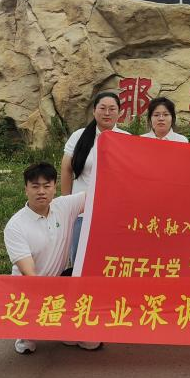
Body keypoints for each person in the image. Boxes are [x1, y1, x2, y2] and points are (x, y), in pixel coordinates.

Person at [4, 162, 98, 353]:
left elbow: (98, 194)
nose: (41, 191)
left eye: (47, 186)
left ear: (55, 187)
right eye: (35, 186)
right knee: (29, 339)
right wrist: (46, 300)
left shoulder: (64, 206)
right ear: (26, 189)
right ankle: (25, 334)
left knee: (81, 279)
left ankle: (72, 330)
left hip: (59, 283)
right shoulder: (15, 226)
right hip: (28, 289)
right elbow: (29, 272)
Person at [61, 91, 130, 266]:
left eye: (112, 109)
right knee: (79, 259)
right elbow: (67, 170)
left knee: (110, 260)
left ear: (119, 112)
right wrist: (66, 202)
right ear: (94, 111)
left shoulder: (127, 139)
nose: (107, 113)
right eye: (102, 108)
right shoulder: (79, 136)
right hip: (83, 211)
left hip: (114, 213)